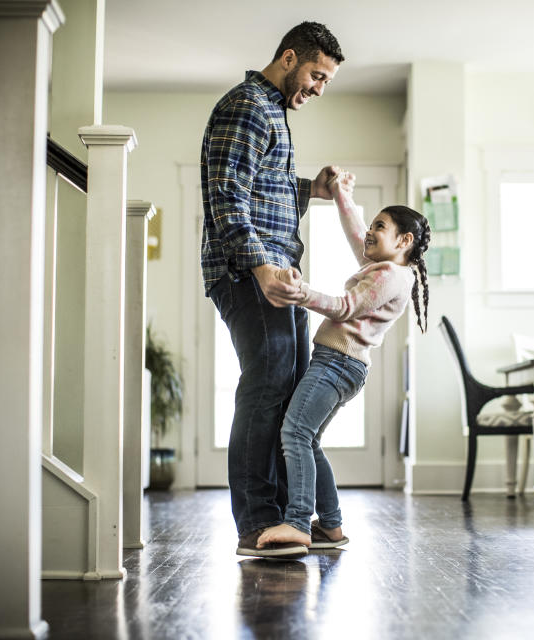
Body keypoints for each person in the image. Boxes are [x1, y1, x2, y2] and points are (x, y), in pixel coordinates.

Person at [200, 21, 346, 558]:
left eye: (326, 80)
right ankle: (257, 524)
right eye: (315, 74)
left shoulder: (272, 113)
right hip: (250, 274)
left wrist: (316, 189)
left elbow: (268, 187)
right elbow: (228, 196)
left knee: (288, 396)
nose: (318, 88)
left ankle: (292, 520)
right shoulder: (247, 106)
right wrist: (261, 267)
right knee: (267, 389)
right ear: (288, 57)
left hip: (280, 276)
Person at [257, 171, 431, 551]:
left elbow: (346, 307)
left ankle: (299, 523)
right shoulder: (386, 269)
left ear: (404, 240)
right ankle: (331, 527)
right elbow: (356, 234)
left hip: (337, 363)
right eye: (372, 225)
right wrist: (341, 195)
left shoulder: (390, 275)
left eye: (380, 227)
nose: (370, 232)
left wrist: (300, 292)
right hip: (340, 363)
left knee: (296, 434)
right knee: (309, 439)